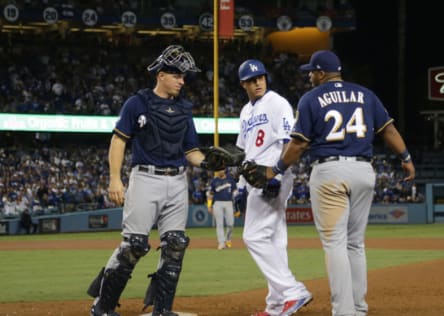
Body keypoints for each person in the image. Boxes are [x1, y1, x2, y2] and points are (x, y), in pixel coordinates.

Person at [264, 50, 416, 316]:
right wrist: (405, 157)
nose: (309, 75)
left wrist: (277, 168)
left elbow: (299, 143)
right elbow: (389, 130)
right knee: (355, 244)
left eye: (312, 71)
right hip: (363, 171)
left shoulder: (311, 98)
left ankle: (343, 312)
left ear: (322, 73)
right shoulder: (365, 94)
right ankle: (358, 309)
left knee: (335, 243)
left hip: (330, 172)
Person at [87, 45, 217, 316]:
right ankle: (102, 306)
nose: (183, 81)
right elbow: (118, 139)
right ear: (161, 75)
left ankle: (162, 309)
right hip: (145, 178)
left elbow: (191, 151)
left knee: (175, 246)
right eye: (178, 75)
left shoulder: (184, 108)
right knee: (133, 245)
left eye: (184, 76)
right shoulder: (138, 102)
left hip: (178, 180)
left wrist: (208, 163)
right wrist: (115, 179)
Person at [236, 59, 313, 316]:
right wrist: (239, 186)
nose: (258, 82)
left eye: (261, 77)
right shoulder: (245, 111)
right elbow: (246, 151)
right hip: (253, 177)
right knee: (275, 240)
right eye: (252, 79)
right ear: (243, 84)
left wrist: (276, 177)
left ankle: (293, 291)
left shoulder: (277, 103)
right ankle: (277, 305)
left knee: (253, 236)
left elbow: (286, 141)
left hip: (270, 174)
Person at [206, 168, 237, 250]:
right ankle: (221, 243)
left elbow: (235, 192)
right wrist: (209, 206)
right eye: (218, 170)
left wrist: (237, 206)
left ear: (224, 170)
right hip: (217, 204)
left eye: (222, 169)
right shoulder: (214, 181)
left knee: (230, 224)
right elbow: (211, 195)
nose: (220, 171)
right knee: (219, 224)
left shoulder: (230, 180)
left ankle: (228, 239)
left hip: (228, 203)